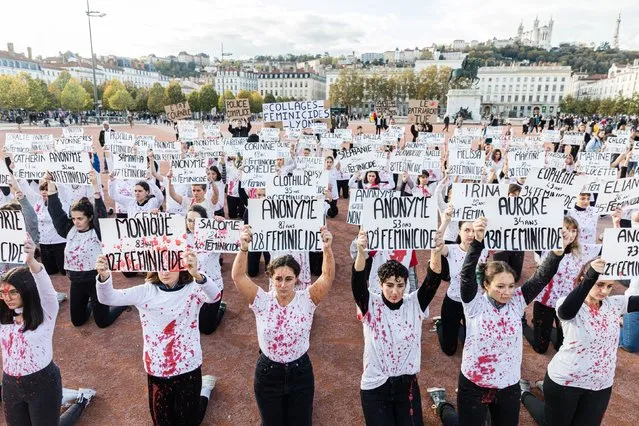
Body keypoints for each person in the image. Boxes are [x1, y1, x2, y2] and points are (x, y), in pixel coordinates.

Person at [429, 216, 571, 426]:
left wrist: (559, 251)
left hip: (507, 386)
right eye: (500, 286)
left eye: (511, 286)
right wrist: (477, 241)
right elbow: (467, 273)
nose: (507, 292)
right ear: (485, 285)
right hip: (473, 385)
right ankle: (443, 406)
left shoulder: (518, 301)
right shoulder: (473, 302)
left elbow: (541, 277)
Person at [95, 249, 219, 426]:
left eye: (170, 266)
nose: (165, 271)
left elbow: (214, 296)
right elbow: (108, 298)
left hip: (188, 368)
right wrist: (104, 277)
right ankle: (203, 390)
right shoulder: (145, 291)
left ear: (181, 266)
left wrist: (198, 274)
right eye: (160, 267)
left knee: (189, 421)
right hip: (157, 369)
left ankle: (204, 391)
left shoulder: (194, 288)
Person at [231, 225, 335, 426]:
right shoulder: (261, 300)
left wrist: (327, 249)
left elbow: (327, 276)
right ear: (270, 278)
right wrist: (243, 248)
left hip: (301, 372)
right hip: (268, 374)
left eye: (289, 279)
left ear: (297, 279)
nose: (283, 284)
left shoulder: (308, 299)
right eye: (278, 279)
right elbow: (238, 277)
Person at [520, 257, 639, 426]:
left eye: (609, 286)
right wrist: (592, 274)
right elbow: (566, 312)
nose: (605, 291)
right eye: (600, 284)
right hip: (565, 382)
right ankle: (524, 393)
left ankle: (542, 387)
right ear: (585, 279)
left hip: (600, 385)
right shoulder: (567, 303)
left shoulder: (615, 304)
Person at [352, 230, 444, 426]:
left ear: (405, 285)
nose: (395, 291)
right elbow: (358, 281)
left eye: (400, 285)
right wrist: (361, 253)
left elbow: (433, 279)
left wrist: (436, 252)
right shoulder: (370, 304)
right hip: (375, 386)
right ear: (380, 283)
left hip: (407, 386)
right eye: (389, 285)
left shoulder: (415, 304)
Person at [1, 236, 95, 425]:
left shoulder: (46, 312)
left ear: (26, 291)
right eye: (3, 293)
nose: (7, 298)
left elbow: (45, 288)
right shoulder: (4, 317)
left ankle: (81, 401)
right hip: (10, 385)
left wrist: (31, 261)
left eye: (13, 292)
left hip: (42, 383)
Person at [185, 205, 226, 334]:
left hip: (212, 286)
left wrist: (223, 226)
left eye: (196, 221)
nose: (192, 224)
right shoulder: (181, 237)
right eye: (189, 220)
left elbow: (234, 240)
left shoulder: (213, 235)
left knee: (207, 329)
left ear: (204, 221)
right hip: (189, 287)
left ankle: (220, 308)